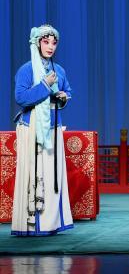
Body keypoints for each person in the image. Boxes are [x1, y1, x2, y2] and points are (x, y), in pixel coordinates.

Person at [12, 24, 73, 236]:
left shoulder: (59, 70)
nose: (50, 47)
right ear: (37, 43)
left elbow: (67, 90)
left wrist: (64, 97)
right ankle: (31, 224)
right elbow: (21, 98)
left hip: (53, 127)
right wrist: (45, 86)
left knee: (51, 173)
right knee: (33, 172)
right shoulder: (26, 69)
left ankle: (51, 223)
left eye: (54, 43)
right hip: (31, 127)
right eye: (46, 42)